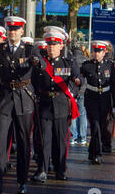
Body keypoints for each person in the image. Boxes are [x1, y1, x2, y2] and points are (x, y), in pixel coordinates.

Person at [0, 16, 34, 194]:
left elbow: (39, 67)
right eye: (10, 29)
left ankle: (22, 181)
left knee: (23, 141)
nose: (12, 32)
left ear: (22, 31)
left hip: (23, 97)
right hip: (4, 97)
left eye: (16, 29)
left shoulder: (30, 49)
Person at [31, 27, 82, 182]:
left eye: (55, 44)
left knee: (60, 140)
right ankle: (42, 170)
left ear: (61, 46)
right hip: (44, 104)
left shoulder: (68, 62)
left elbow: (78, 79)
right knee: (44, 140)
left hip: (61, 105)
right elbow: (33, 82)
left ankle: (60, 170)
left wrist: (75, 86)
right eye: (49, 45)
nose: (51, 47)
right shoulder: (40, 64)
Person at [80, 41, 115, 164]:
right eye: (94, 51)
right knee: (95, 125)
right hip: (91, 99)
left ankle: (92, 151)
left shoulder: (110, 66)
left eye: (99, 51)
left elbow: (114, 85)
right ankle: (97, 154)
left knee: (101, 127)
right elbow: (79, 78)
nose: (96, 54)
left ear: (104, 52)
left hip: (105, 99)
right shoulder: (87, 65)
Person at [70, 43, 88, 145]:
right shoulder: (85, 60)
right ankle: (83, 137)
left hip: (73, 90)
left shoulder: (71, 60)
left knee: (73, 114)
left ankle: (73, 136)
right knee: (82, 113)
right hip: (83, 90)